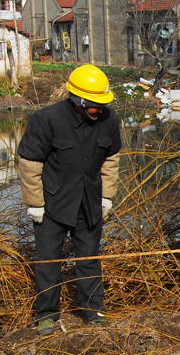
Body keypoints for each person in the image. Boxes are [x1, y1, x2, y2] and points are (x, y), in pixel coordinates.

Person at [17, 64, 122, 336]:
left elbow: (111, 160)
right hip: (52, 204)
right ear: (78, 100)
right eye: (94, 106)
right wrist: (35, 203)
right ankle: (46, 315)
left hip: (89, 203)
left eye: (102, 105)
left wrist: (107, 196)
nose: (99, 110)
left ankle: (93, 310)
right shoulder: (46, 120)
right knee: (48, 260)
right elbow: (29, 163)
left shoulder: (109, 120)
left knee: (89, 258)